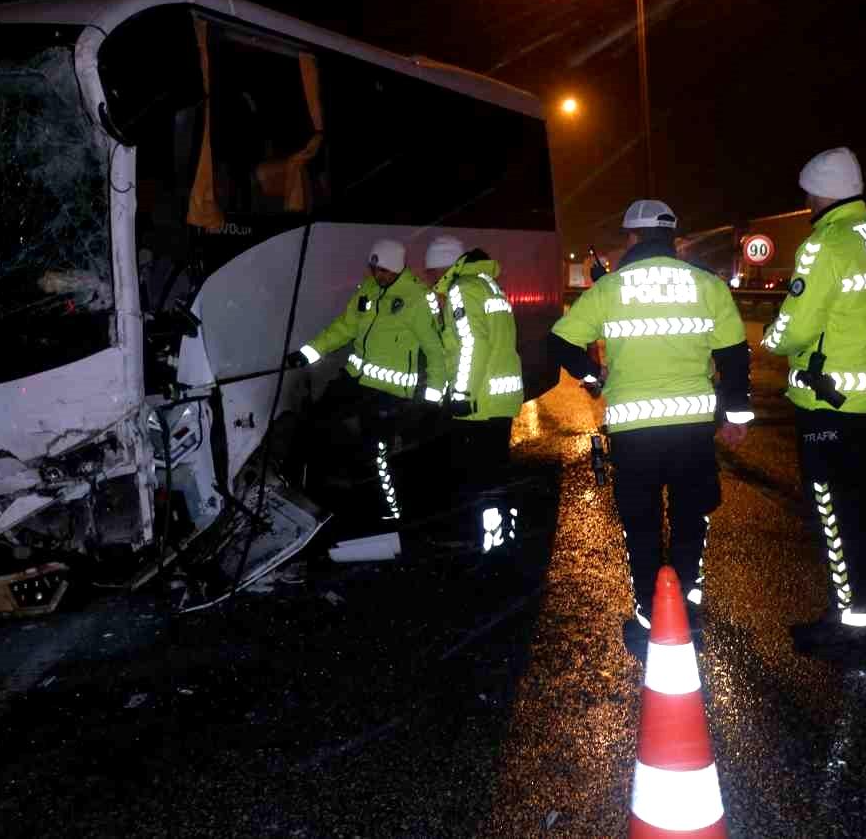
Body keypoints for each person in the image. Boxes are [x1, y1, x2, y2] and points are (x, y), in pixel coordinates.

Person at [548, 200, 753, 662]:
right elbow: (735, 356)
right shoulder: (708, 285)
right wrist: (737, 417)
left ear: (633, 238)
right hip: (692, 430)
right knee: (690, 515)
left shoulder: (611, 288)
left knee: (640, 523)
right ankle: (686, 605)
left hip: (634, 432)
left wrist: (592, 377)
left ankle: (648, 615)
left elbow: (559, 339)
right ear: (673, 238)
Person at [761, 147, 866, 652]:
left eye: (808, 194)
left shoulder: (826, 245)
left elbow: (797, 325)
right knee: (862, 502)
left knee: (831, 509)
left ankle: (849, 619)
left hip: (830, 403)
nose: (806, 202)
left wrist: (772, 342)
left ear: (820, 193)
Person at [284, 239, 450, 522]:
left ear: (397, 268)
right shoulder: (369, 291)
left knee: (379, 453)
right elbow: (344, 328)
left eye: (383, 270)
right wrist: (307, 353)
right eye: (374, 269)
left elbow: (436, 351)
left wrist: (433, 398)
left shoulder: (417, 299)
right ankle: (311, 495)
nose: (377, 275)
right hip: (354, 380)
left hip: (391, 391)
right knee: (317, 422)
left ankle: (390, 514)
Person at [421, 235, 524, 553]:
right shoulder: (487, 284)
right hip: (499, 398)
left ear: (442, 266)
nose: (428, 277)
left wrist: (462, 393)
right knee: (495, 475)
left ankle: (477, 544)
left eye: (430, 271)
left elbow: (471, 343)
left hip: (479, 401)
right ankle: (500, 540)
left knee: (474, 477)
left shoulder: (461, 288)